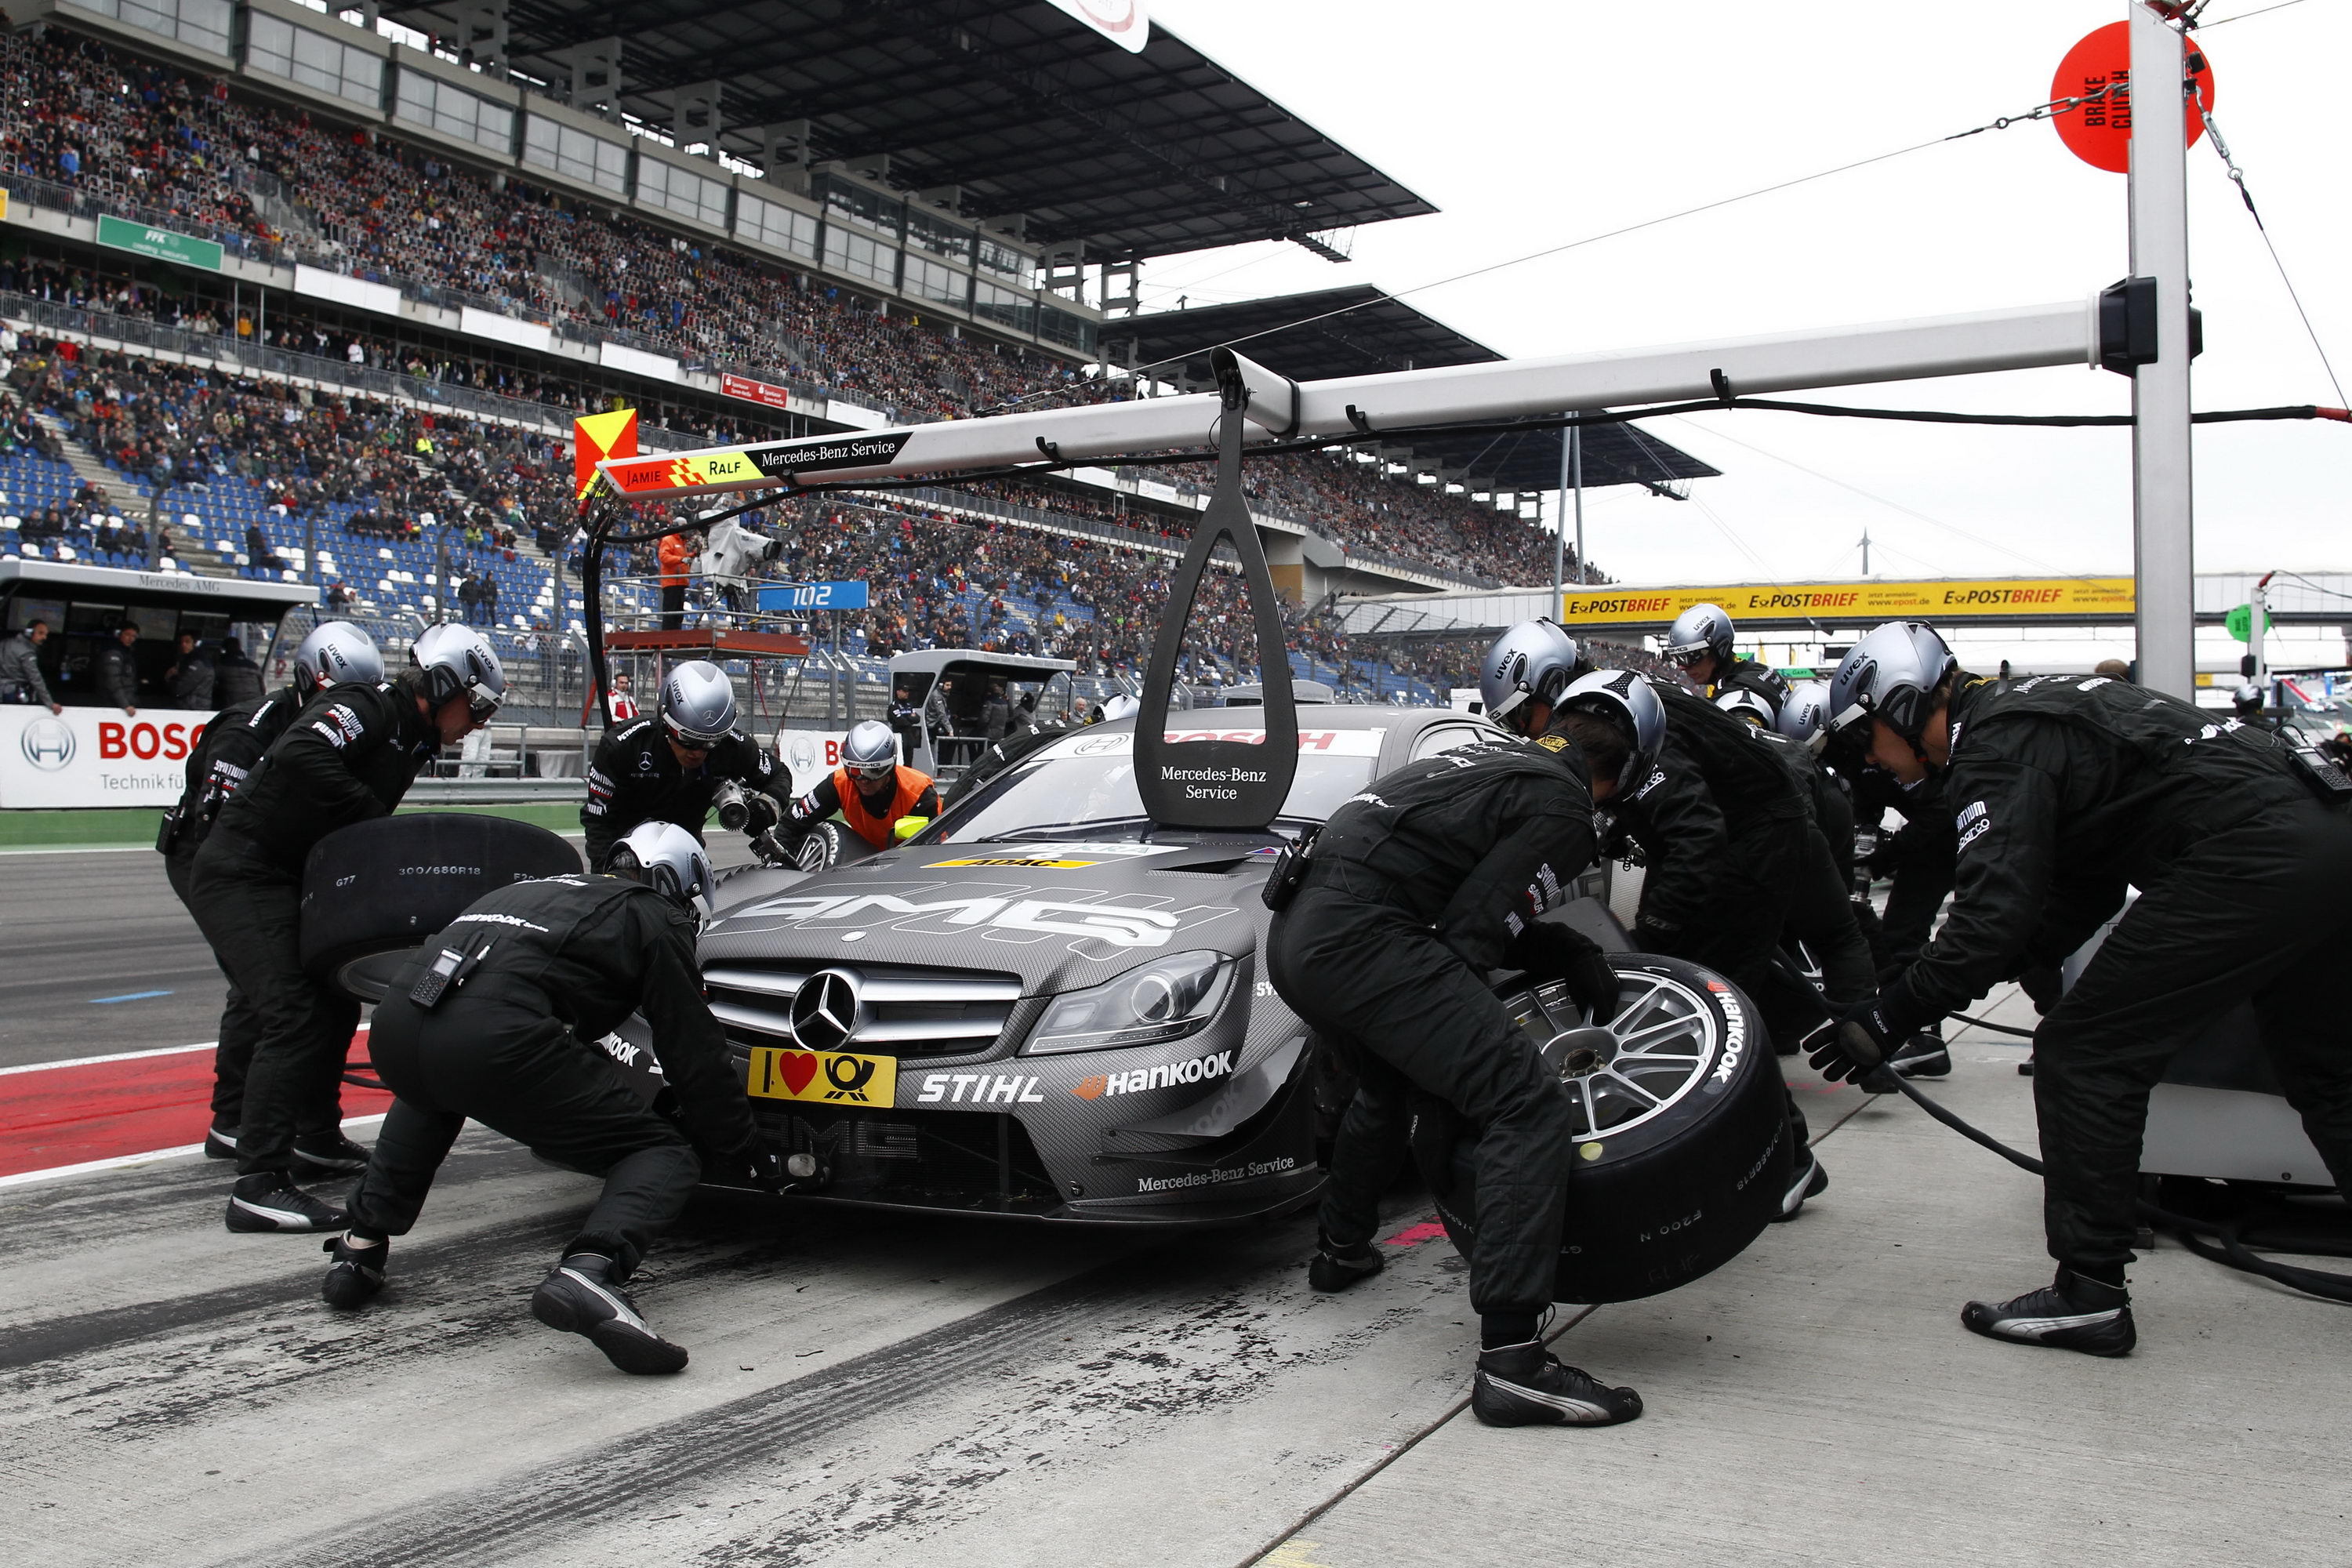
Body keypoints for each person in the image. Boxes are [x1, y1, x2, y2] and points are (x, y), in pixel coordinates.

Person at [1813, 620, 2352, 1356]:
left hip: (2250, 852)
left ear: (1902, 707)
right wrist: (1955, 981)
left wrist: (1891, 1014)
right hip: (2327, 832)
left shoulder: (1995, 746)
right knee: (2328, 1072)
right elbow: (2078, 896)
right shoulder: (2034, 710)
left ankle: (2090, 1294)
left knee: (2085, 1052)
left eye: (1864, 738)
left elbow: (1990, 921)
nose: (1871, 761)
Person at [1271, 633, 1642, 1428]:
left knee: (1387, 1080)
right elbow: (1468, 940)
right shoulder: (1566, 807)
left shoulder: (1483, 756)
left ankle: (1341, 1248)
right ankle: (1514, 1361)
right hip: (1365, 938)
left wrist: (1562, 946)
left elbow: (1453, 904)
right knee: (1521, 1100)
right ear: (1630, 768)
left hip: (1302, 934)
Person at [320, 822, 778, 1374]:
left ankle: (359, 1248)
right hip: (495, 1034)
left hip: (398, 1021)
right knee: (662, 1152)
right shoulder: (654, 916)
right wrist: (741, 1145)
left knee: (433, 1089)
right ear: (676, 883)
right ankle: (593, 1270)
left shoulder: (529, 889)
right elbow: (693, 1051)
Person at [191, 627, 506, 1232]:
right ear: (444, 687)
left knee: (332, 1003)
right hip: (241, 871)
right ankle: (257, 1182)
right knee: (291, 1011)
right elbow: (298, 753)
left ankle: (314, 1137)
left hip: (287, 876)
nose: (480, 723)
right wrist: (369, 821)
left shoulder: (413, 740)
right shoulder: (367, 705)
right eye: (479, 707)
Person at [1575, 669, 1841, 1218]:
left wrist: (1658, 935)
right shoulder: (1612, 707)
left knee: (1720, 1007)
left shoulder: (1634, 727)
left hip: (1754, 846)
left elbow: (1696, 835)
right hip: (1735, 836)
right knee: (1688, 1005)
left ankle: (1789, 1159)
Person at [161, 622, 384, 1163]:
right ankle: (233, 1119)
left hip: (279, 860)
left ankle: (308, 1126)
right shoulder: (250, 728)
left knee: (311, 987)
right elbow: (222, 828)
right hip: (208, 853)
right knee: (263, 987)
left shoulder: (345, 729)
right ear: (310, 680)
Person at [580, 661, 790, 868]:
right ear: (665, 722)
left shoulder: (732, 746)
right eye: (687, 740)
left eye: (710, 741)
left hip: (688, 855)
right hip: (626, 853)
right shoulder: (623, 746)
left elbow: (780, 774)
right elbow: (598, 820)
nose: (697, 753)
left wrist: (767, 806)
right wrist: (608, 872)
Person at [782, 720, 942, 853]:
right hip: (862, 858)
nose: (863, 780)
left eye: (874, 771)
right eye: (855, 770)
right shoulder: (840, 783)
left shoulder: (919, 794)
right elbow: (790, 824)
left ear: (890, 768)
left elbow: (933, 852)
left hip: (905, 860)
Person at [1663, 603, 1788, 719]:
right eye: (1676, 658)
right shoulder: (1760, 670)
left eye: (1688, 656)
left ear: (1719, 648)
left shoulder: (1737, 696)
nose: (1681, 667)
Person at [0, 618, 62, 712]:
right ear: (29, 633)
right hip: (14, 695)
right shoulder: (26, 652)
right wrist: (50, 703)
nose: (44, 637)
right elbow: (35, 678)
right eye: (41, 633)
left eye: (46, 634)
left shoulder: (5, 643)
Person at [96, 620, 141, 714]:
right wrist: (125, 705)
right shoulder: (113, 653)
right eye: (127, 634)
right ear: (118, 634)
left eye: (134, 636)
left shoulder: (128, 653)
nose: (131, 639)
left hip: (126, 705)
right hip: (114, 707)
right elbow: (112, 681)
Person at [166, 631, 215, 710]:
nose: (183, 645)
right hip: (189, 705)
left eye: (187, 642)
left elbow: (181, 688)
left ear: (195, 644)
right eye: (181, 642)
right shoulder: (187, 660)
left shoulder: (199, 663)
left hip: (194, 708)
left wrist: (170, 678)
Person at [658, 527, 693, 630]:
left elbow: (682, 558)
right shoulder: (668, 540)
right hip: (671, 582)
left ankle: (676, 634)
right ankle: (668, 635)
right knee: (671, 612)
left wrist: (692, 555)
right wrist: (681, 559)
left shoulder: (681, 543)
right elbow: (664, 557)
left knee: (678, 613)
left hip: (680, 582)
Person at [212, 637, 266, 706]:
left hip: (232, 702)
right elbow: (262, 688)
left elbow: (211, 682)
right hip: (255, 701)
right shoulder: (253, 665)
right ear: (239, 647)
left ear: (225, 649)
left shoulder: (223, 665)